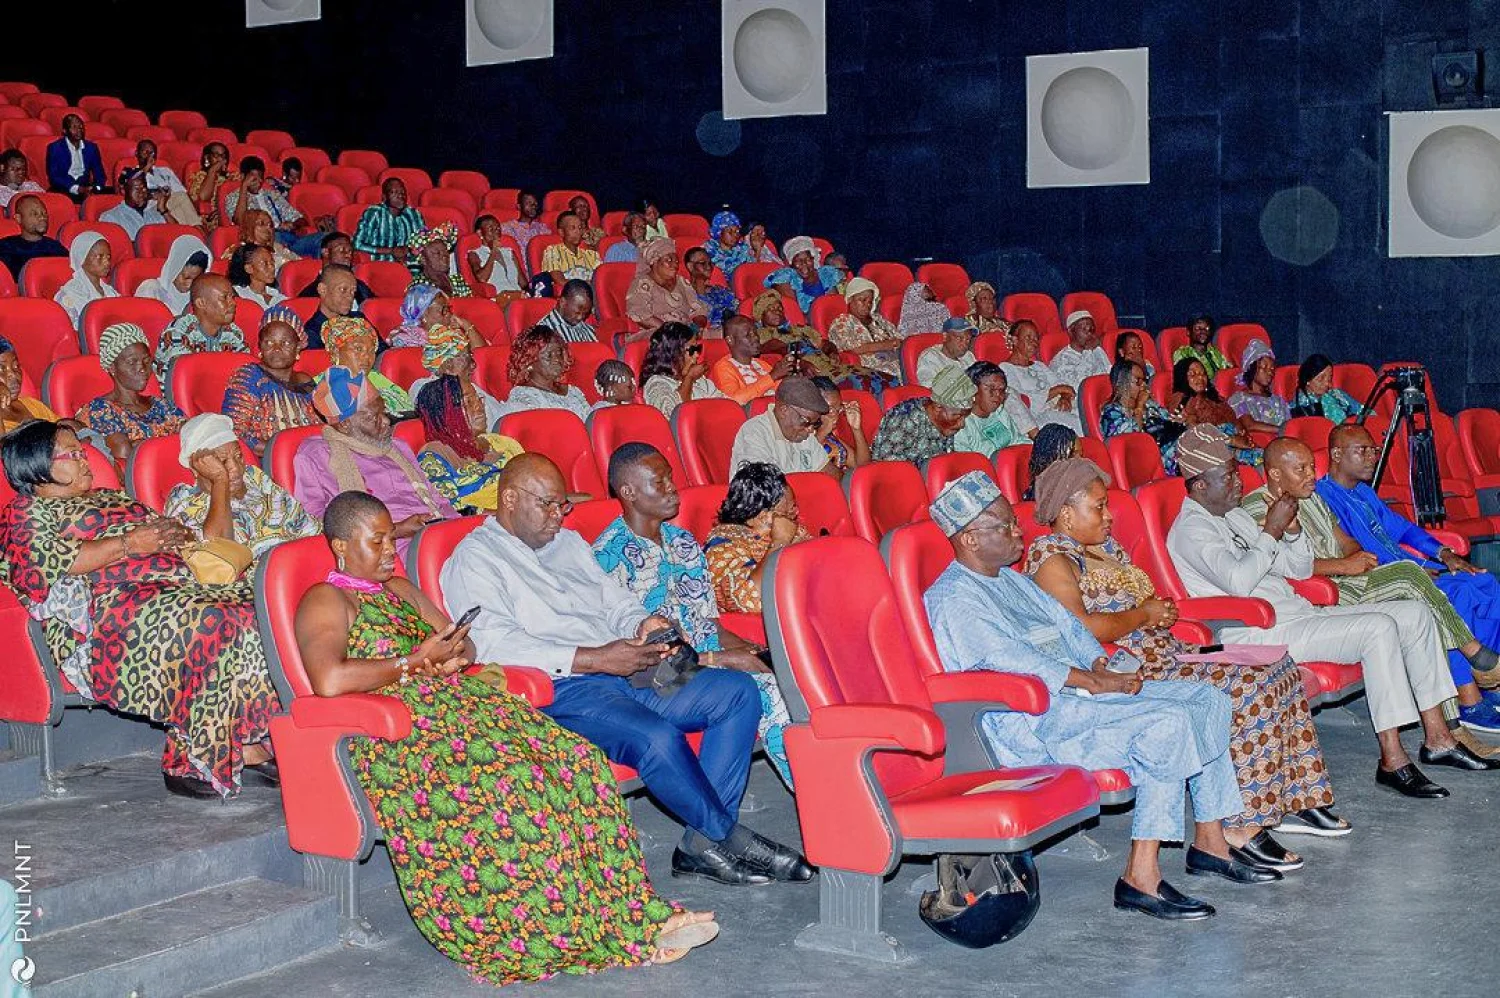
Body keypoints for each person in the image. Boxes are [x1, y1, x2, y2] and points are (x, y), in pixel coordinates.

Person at [294, 492, 720, 983]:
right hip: (404, 734)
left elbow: (463, 643)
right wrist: (413, 664)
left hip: (467, 708)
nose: (392, 548)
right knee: (516, 781)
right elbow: (328, 679)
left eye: (393, 536)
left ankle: (631, 912)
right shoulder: (325, 599)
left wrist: (452, 656)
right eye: (378, 540)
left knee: (577, 760)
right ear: (341, 547)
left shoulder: (399, 589)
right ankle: (568, 931)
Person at [440, 454, 813, 886]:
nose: (558, 517)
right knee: (656, 738)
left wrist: (641, 622)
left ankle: (700, 844)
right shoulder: (475, 559)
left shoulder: (568, 543)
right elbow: (494, 643)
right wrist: (597, 657)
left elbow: (614, 601)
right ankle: (728, 837)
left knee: (735, 692)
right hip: (565, 687)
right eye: (547, 506)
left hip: (629, 664)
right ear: (509, 499)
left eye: (563, 506)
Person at [924, 472, 1268, 920]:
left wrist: (1100, 664)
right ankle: (1139, 876)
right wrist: (1092, 682)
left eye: (1014, 523)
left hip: (1079, 698)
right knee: (1166, 726)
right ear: (969, 538)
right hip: (1032, 721)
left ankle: (1210, 839)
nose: (1018, 532)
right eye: (1006, 527)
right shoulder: (953, 597)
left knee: (1208, 700)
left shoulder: (1008, 579)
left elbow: (1069, 626)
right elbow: (1009, 661)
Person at [1027, 458, 1343, 860]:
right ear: (1067, 514)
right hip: (1133, 670)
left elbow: (1134, 605)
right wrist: (1145, 614)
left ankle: (1286, 802)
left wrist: (1158, 610)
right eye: (1099, 507)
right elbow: (1083, 630)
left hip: (1168, 651)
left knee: (1278, 667)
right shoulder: (1052, 558)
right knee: (1248, 687)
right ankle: (1239, 824)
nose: (1109, 516)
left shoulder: (1105, 549)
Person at [1165, 425, 1492, 798]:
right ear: (1199, 484)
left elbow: (1300, 568)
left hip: (1297, 613)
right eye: (1228, 476)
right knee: (1379, 627)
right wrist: (1271, 531)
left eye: (1237, 472)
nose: (1239, 481)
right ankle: (1393, 758)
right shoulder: (1192, 528)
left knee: (1415, 613)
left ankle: (1438, 738)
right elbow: (1239, 582)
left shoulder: (1234, 516)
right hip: (1257, 630)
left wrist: (1289, 532)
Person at [0, 420, 277, 799]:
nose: (85, 460)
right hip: (114, 609)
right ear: (37, 467)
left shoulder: (110, 497)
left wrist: (172, 534)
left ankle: (245, 741)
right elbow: (39, 566)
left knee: (262, 611)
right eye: (73, 454)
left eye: (83, 451)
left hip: (178, 586)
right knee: (218, 621)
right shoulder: (26, 512)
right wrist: (131, 543)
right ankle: (192, 761)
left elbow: (161, 533)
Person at [1244, 437, 1500, 735]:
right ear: (1275, 473)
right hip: (1319, 591)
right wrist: (1345, 566)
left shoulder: (1314, 497)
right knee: (1421, 583)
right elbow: (1279, 566)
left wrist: (1355, 555)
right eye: (1301, 469)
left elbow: (1348, 538)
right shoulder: (1258, 506)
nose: (1311, 475)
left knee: (1469, 584)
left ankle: (1461, 709)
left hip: (1352, 578)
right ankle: (1474, 672)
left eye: (1312, 467)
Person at [592, 443, 795, 787]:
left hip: (703, 658)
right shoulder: (607, 556)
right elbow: (631, 659)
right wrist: (723, 659)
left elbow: (709, 622)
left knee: (786, 671)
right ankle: (819, 795)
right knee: (767, 689)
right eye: (660, 482)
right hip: (654, 677)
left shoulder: (683, 541)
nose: (673, 487)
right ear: (628, 492)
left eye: (671, 477)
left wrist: (750, 650)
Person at [293, 367, 455, 556]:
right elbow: (316, 521)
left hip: (435, 532)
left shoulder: (397, 447)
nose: (386, 421)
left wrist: (456, 528)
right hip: (382, 550)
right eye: (373, 417)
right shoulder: (315, 455)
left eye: (383, 411)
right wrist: (395, 530)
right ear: (345, 425)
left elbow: (438, 500)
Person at [163, 413, 318, 558]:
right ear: (197, 467)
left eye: (239, 457)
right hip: (255, 581)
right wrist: (220, 480)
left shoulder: (253, 477)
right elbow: (218, 553)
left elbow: (303, 522)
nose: (236, 468)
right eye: (222, 462)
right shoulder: (184, 499)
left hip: (297, 562)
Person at [704, 462, 813, 615]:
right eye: (786, 514)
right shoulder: (721, 547)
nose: (795, 514)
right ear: (761, 518)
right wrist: (779, 543)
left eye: (794, 507)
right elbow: (751, 600)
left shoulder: (795, 532)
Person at [74, 324, 186, 465]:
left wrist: (141, 444)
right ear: (112, 368)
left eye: (146, 361)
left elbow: (192, 435)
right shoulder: (100, 410)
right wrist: (173, 442)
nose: (142, 368)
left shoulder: (161, 404)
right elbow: (125, 457)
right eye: (132, 362)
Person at [414, 374, 523, 514]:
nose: (479, 406)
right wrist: (506, 516)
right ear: (444, 412)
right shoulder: (433, 457)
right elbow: (448, 510)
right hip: (484, 529)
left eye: (478, 399)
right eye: (468, 402)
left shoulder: (501, 443)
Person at [221, 306, 318, 456]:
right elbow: (235, 433)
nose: (277, 348)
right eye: (269, 342)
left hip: (313, 458)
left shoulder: (306, 381)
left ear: (298, 348)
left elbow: (323, 427)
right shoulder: (248, 376)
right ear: (260, 347)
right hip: (268, 464)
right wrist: (286, 452)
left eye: (285, 343)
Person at [728, 376, 835, 477]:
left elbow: (831, 473)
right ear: (784, 410)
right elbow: (765, 489)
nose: (811, 430)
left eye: (815, 423)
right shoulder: (754, 432)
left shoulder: (804, 433)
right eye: (806, 421)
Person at [408, 321, 505, 431]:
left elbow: (501, 413)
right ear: (448, 364)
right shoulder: (425, 389)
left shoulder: (469, 387)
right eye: (468, 357)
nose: (473, 365)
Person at [870, 365, 974, 464]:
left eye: (965, 416)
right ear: (938, 407)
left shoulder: (945, 419)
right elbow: (891, 471)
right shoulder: (905, 420)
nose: (962, 424)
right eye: (958, 415)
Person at [1168, 356, 1261, 466]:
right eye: (1192, 374)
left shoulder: (1217, 399)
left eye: (1203, 374)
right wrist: (1231, 440)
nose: (1200, 378)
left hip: (1230, 445)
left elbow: (1235, 422)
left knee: (1266, 456)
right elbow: (1193, 429)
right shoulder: (1181, 399)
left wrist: (1242, 434)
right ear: (1182, 377)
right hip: (1206, 453)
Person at [492, 325, 594, 422]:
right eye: (548, 355)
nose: (557, 359)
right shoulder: (523, 397)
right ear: (528, 362)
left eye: (559, 353)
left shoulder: (573, 391)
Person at [1099, 359, 1184, 473]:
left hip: (1174, 447)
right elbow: (1132, 441)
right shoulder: (1111, 412)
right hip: (1151, 460)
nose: (1144, 385)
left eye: (1144, 380)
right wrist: (1139, 406)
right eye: (1138, 381)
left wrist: (1181, 420)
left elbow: (1169, 420)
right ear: (1122, 383)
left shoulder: (1149, 404)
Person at [156, 274, 248, 378]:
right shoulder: (178, 332)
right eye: (224, 297)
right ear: (201, 303)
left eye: (232, 297)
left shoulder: (233, 333)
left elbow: (246, 371)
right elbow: (185, 378)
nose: (233, 303)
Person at [224, 156, 317, 256]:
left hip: (288, 238)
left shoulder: (272, 194)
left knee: (323, 240)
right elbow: (240, 221)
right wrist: (244, 188)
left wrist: (292, 225)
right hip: (264, 240)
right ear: (243, 177)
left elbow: (301, 220)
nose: (258, 182)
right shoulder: (234, 197)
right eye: (253, 178)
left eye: (260, 178)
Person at [1001, 320, 1082, 433]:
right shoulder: (1006, 368)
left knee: (1089, 415)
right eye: (1028, 338)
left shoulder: (1039, 365)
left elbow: (1066, 387)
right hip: (1038, 419)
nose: (1034, 343)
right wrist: (1057, 390)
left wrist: (1065, 397)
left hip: (1059, 408)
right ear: (1015, 340)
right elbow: (1024, 402)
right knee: (1078, 425)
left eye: (1036, 339)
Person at [320, 316, 412, 414]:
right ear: (336, 352)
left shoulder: (377, 378)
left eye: (372, 351)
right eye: (358, 349)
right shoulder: (321, 388)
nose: (367, 357)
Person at [952, 361, 1037, 457]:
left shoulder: (999, 412)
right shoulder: (961, 423)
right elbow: (966, 463)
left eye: (1001, 390)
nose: (998, 395)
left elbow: (1017, 440)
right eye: (991, 389)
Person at [641, 322, 725, 417]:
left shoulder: (700, 380)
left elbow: (725, 403)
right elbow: (674, 417)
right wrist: (689, 378)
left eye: (698, 348)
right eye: (692, 350)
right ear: (674, 353)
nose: (697, 355)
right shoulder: (657, 384)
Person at [626, 238, 706, 336]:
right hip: (658, 334)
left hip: (687, 332)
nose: (675, 265)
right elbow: (640, 314)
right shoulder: (642, 283)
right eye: (668, 260)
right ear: (654, 261)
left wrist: (697, 328)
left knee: (727, 331)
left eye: (676, 261)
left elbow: (698, 309)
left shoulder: (681, 281)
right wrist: (671, 331)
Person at [710, 313, 795, 403]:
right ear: (730, 340)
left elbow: (781, 390)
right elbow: (734, 400)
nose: (755, 338)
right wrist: (772, 376)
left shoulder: (760, 363)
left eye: (755, 333)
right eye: (748, 335)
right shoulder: (723, 367)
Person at [828, 278, 902, 379]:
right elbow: (853, 349)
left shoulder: (877, 318)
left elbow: (899, 339)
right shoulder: (841, 322)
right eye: (862, 300)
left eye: (870, 302)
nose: (867, 305)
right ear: (850, 299)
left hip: (894, 360)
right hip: (867, 369)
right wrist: (888, 344)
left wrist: (896, 344)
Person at [52, 230, 118, 328]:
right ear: (82, 258)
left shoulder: (111, 292)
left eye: (108, 257)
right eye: (99, 257)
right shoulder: (69, 295)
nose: (106, 262)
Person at [763, 236, 843, 313]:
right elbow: (792, 311)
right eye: (798, 260)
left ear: (813, 259)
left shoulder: (826, 274)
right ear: (791, 264)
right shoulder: (786, 277)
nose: (804, 263)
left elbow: (834, 303)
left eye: (807, 259)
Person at [135, 234, 210, 316]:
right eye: (186, 278)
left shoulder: (201, 295)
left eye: (196, 279)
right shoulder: (151, 289)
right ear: (173, 269)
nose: (189, 285)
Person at [353, 178, 425, 262]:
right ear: (384, 197)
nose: (400, 195)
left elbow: (423, 241)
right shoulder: (375, 213)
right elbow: (357, 244)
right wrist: (391, 251)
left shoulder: (414, 214)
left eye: (402, 192)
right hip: (382, 266)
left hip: (410, 266)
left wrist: (407, 249)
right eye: (394, 192)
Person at [0, 335, 63, 433]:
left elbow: (63, 431)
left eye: (16, 366)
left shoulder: (32, 404)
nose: (13, 374)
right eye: (1, 369)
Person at [1227, 339, 1290, 432]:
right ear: (1251, 368)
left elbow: (1290, 424)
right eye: (1264, 367)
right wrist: (1281, 430)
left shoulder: (1279, 401)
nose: (1269, 372)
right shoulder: (1239, 399)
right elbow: (1249, 425)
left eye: (1272, 369)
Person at [296, 233, 374, 307]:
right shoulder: (310, 294)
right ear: (326, 252)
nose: (348, 255)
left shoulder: (359, 286)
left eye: (350, 251)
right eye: (341, 250)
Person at [0, 194, 66, 281]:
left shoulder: (56, 247)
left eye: (44, 213)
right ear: (18, 218)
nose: (42, 217)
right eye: (34, 214)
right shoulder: (5, 247)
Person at [132, 139, 198, 226]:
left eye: (152, 153)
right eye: (145, 152)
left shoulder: (165, 171)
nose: (149, 156)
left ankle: (195, 229)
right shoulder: (131, 173)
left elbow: (181, 192)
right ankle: (195, 230)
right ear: (136, 153)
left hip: (171, 205)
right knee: (179, 206)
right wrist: (147, 167)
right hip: (150, 208)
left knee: (181, 199)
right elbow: (134, 194)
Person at [812, 376, 870, 475]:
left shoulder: (831, 439)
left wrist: (856, 428)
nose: (835, 414)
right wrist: (822, 432)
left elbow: (862, 466)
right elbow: (801, 463)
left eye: (838, 409)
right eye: (829, 409)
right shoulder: (798, 433)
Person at [1049, 310, 1111, 396]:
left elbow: (1109, 372)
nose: (1089, 333)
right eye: (1084, 329)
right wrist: (1087, 352)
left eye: (1092, 330)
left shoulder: (1096, 350)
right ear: (1071, 331)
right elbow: (1078, 388)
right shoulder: (1061, 360)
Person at [45, 114, 107, 200]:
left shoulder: (91, 148)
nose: (79, 130)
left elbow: (100, 174)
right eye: (74, 127)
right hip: (63, 189)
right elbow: (54, 177)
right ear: (65, 131)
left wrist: (96, 188)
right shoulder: (54, 148)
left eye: (81, 127)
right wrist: (76, 188)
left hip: (86, 188)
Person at [466, 214, 524, 305]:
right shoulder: (475, 253)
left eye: (498, 228)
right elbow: (482, 278)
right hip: (498, 298)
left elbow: (523, 282)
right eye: (491, 229)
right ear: (480, 233)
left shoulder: (509, 252)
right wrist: (493, 252)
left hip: (519, 296)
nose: (496, 231)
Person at [406, 222, 474, 299]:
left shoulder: (457, 282)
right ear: (423, 259)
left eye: (445, 251)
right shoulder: (419, 287)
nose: (444, 256)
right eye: (437, 253)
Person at [1291, 354, 1365, 423]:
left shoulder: (1337, 395)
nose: (1327, 384)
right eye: (1321, 379)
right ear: (1307, 380)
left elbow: (1363, 412)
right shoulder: (1298, 406)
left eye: (1329, 379)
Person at [301, 263, 359, 349]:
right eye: (343, 289)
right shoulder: (312, 333)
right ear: (322, 290)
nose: (350, 296)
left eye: (353, 291)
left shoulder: (359, 319)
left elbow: (382, 353)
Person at [98, 170, 167, 239]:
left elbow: (175, 235)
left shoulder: (154, 213)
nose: (141, 192)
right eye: (136, 188)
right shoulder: (111, 217)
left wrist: (163, 210)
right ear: (123, 191)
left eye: (144, 187)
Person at [228, 208, 300, 273]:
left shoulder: (277, 247)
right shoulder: (239, 251)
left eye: (270, 225)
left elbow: (299, 261)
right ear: (249, 227)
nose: (268, 228)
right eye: (261, 224)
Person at [187, 143, 239, 231]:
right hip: (210, 220)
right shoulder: (200, 176)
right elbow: (203, 197)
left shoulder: (233, 177)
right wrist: (212, 171)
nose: (220, 158)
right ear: (207, 158)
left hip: (232, 214)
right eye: (216, 155)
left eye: (223, 156)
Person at [541, 211, 601, 287]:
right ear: (561, 232)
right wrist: (587, 284)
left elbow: (600, 281)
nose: (578, 231)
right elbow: (559, 280)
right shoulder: (552, 251)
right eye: (573, 228)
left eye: (580, 228)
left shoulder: (592, 255)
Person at [684, 246, 737, 332]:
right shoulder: (684, 293)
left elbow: (736, 306)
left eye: (710, 263)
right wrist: (699, 285)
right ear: (690, 266)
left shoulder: (718, 291)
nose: (708, 267)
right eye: (702, 263)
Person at [1024, 424, 1082, 500]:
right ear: (1051, 456)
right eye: (1072, 454)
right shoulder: (1044, 494)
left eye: (1080, 455)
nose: (1080, 460)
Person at [915, 317, 978, 387]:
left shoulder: (968, 356)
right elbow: (929, 388)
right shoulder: (930, 357)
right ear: (945, 336)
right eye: (959, 338)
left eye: (968, 340)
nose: (965, 344)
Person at [538, 279, 598, 344]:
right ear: (562, 302)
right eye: (577, 312)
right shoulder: (544, 332)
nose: (580, 318)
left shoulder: (587, 328)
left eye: (585, 314)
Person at [227, 243, 287, 307]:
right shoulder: (238, 295)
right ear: (249, 269)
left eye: (272, 262)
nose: (272, 268)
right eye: (265, 264)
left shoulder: (278, 296)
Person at [500, 189, 551, 258]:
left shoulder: (542, 228)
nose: (533, 206)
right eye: (528, 203)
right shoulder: (507, 228)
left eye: (535, 203)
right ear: (519, 206)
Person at [704, 210, 752, 278]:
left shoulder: (743, 249)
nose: (735, 235)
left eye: (737, 231)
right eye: (730, 232)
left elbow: (752, 269)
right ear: (719, 232)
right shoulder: (708, 250)